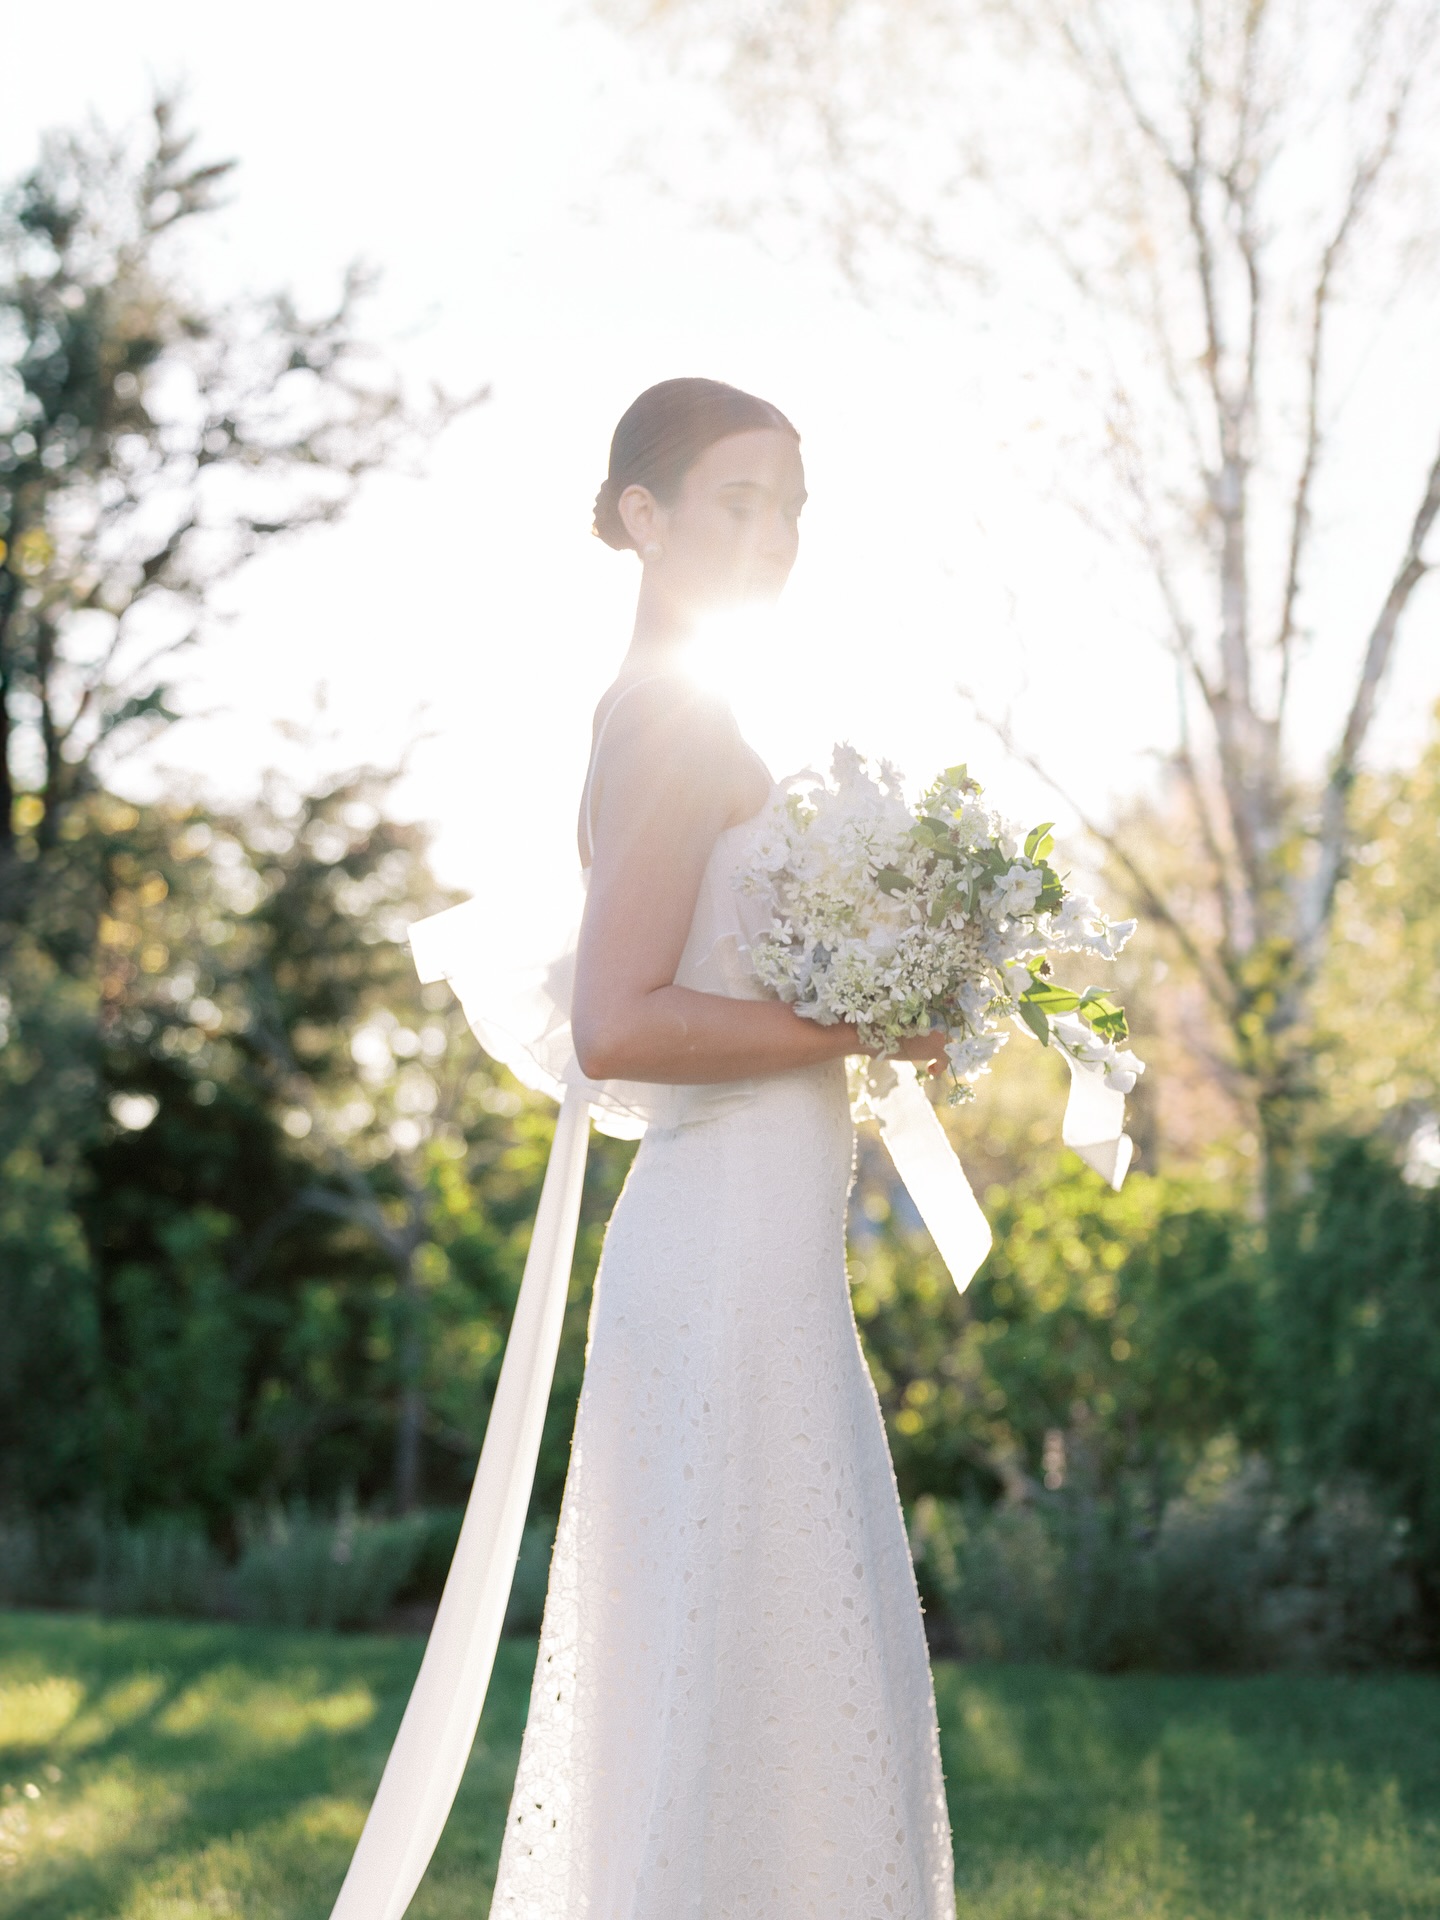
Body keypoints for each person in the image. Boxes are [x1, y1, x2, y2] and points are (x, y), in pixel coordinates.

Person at [487, 378, 958, 1918]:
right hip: (723, 1250)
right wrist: (856, 1024)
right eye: (740, 502)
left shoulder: (681, 713)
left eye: (795, 511)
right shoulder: (675, 723)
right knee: (728, 1642)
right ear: (644, 515)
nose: (776, 537)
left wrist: (883, 981)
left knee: (761, 1642)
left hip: (756, 1244)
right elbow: (617, 1022)